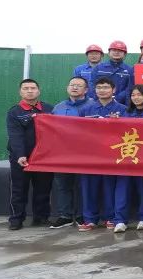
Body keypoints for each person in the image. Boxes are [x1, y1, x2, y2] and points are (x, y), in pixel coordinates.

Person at [78, 78, 128, 231]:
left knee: (109, 186)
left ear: (114, 90)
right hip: (90, 154)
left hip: (113, 154)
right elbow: (78, 131)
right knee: (89, 187)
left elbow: (128, 131)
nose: (102, 90)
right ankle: (89, 219)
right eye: (99, 87)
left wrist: (117, 123)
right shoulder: (86, 109)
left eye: (106, 87)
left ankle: (110, 217)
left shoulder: (122, 109)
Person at [6, 79, 54, 230]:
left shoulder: (49, 109)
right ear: (20, 92)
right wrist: (20, 155)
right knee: (19, 189)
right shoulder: (14, 112)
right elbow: (15, 135)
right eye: (26, 88)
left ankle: (41, 217)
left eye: (33, 88)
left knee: (43, 189)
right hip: (21, 158)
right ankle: (16, 219)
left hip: (44, 157)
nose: (29, 91)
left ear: (38, 91)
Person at [47, 77, 95, 228]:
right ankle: (65, 215)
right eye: (72, 85)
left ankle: (82, 215)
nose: (74, 88)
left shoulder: (93, 106)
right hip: (62, 153)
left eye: (79, 85)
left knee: (83, 185)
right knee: (63, 184)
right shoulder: (58, 107)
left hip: (85, 153)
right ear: (67, 88)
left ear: (86, 90)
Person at [114, 85, 143, 233]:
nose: (136, 98)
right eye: (133, 95)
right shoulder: (125, 113)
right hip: (126, 157)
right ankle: (120, 220)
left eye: (139, 95)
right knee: (122, 189)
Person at [93, 40, 134, 105]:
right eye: (114, 50)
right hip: (100, 103)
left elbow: (129, 88)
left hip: (121, 104)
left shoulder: (129, 70)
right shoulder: (98, 68)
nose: (117, 52)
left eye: (120, 51)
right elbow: (92, 84)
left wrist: (118, 98)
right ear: (109, 52)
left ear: (125, 54)